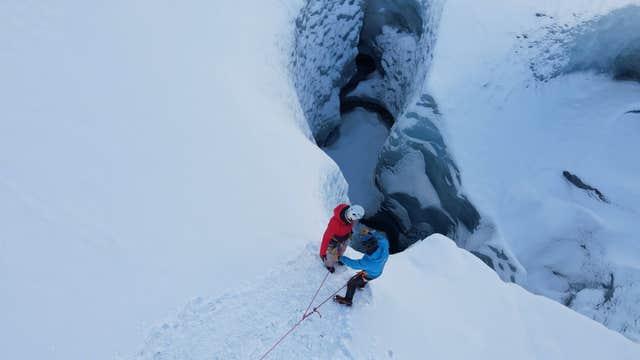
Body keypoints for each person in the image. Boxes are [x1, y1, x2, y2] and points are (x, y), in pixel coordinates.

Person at [334, 231, 389, 306]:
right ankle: (361, 284)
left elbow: (353, 264)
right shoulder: (383, 245)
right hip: (377, 271)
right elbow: (383, 239)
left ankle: (348, 300)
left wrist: (340, 258)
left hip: (370, 274)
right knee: (363, 277)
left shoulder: (368, 262)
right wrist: (370, 234)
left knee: (351, 283)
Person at [319, 204, 365, 273]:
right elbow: (326, 238)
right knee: (331, 256)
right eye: (356, 218)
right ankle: (328, 264)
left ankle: (338, 258)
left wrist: (350, 233)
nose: (356, 220)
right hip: (333, 241)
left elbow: (350, 225)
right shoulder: (335, 223)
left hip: (344, 238)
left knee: (342, 250)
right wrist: (322, 253)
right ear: (353, 214)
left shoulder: (349, 217)